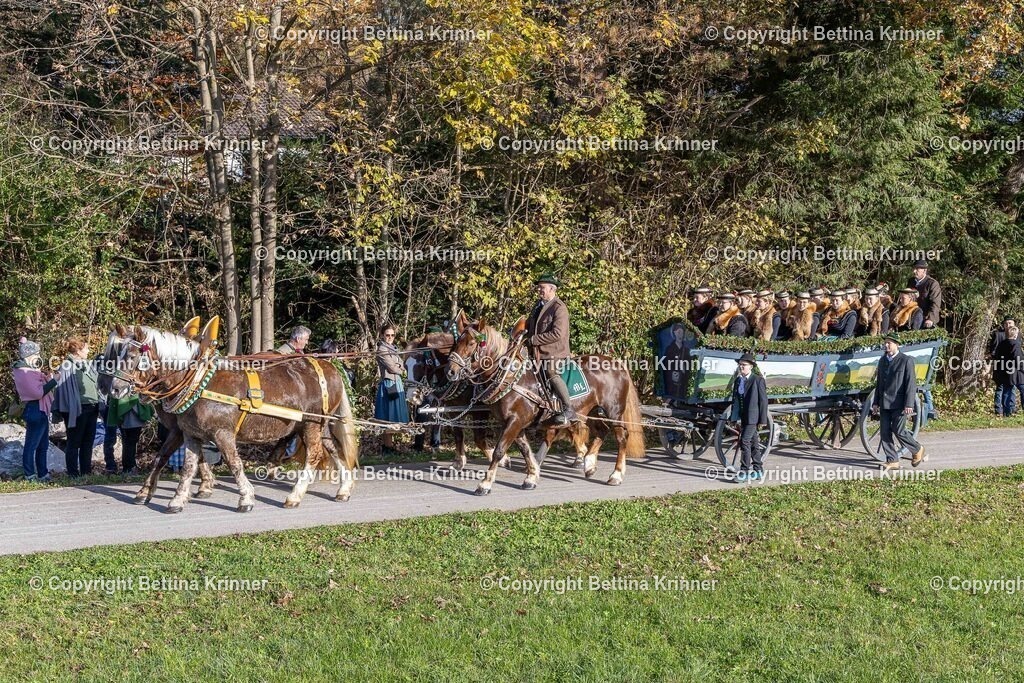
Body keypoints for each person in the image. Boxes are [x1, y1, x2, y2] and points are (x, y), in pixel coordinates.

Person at [526, 273, 577, 424]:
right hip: (537, 352)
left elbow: (558, 334)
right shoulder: (538, 306)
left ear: (552, 289)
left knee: (550, 371)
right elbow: (530, 325)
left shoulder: (559, 308)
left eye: (542, 288)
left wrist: (534, 340)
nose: (539, 290)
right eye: (539, 288)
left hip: (555, 352)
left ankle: (569, 409)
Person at [871, 334, 925, 471]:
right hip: (884, 402)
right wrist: (876, 402)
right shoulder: (883, 360)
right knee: (884, 432)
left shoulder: (906, 361)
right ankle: (893, 460)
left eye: (889, 343)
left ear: (897, 345)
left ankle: (917, 448)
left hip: (899, 403)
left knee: (899, 430)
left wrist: (909, 404)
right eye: (885, 343)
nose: (886, 345)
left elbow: (910, 384)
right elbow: (879, 384)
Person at [51, 338, 100, 477]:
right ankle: (73, 473)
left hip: (92, 407)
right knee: (74, 441)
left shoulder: (88, 365)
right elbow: (61, 390)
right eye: (86, 348)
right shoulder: (66, 366)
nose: (89, 351)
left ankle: (86, 472)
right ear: (78, 351)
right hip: (76, 410)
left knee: (88, 441)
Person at [11, 338, 55, 482]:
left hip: (40, 410)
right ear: (30, 355)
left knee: (43, 445)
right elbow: (37, 393)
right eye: (37, 354)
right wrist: (54, 381)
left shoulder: (30, 370)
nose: (39, 357)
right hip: (35, 409)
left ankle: (43, 473)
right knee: (32, 444)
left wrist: (49, 378)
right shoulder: (24, 371)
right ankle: (30, 474)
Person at [730, 352, 769, 483]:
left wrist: (763, 420)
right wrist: (733, 417)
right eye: (740, 365)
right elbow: (735, 400)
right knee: (754, 444)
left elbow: (763, 401)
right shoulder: (738, 381)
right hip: (743, 416)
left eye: (744, 365)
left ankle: (744, 471)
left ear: (751, 366)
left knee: (744, 441)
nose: (741, 367)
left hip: (753, 417)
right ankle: (758, 470)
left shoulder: (757, 380)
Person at [374, 324, 409, 454]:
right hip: (389, 384)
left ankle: (391, 446)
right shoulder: (382, 349)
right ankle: (387, 447)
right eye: (387, 335)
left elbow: (402, 363)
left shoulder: (393, 348)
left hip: (397, 382)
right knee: (387, 415)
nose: (390, 337)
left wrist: (400, 366)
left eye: (392, 335)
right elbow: (392, 368)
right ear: (382, 335)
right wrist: (401, 368)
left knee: (395, 415)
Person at [407, 328, 442, 452]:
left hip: (437, 386)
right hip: (424, 386)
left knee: (438, 415)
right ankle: (418, 445)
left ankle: (435, 444)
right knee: (421, 414)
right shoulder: (421, 353)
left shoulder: (438, 353)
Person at [102, 394, 153, 475]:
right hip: (131, 413)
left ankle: (128, 467)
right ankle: (129, 468)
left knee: (128, 441)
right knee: (130, 442)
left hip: (125, 411)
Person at [992, 324, 1023, 417]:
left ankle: (1006, 412)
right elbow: (1019, 359)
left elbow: (997, 357)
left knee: (1006, 392)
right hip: (1014, 373)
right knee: (1021, 389)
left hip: (1003, 371)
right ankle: (1009, 411)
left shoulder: (1001, 344)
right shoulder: (1015, 344)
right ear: (1015, 334)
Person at [989, 316, 1016, 416]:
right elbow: (993, 351)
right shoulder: (998, 335)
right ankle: (998, 410)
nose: (1008, 325)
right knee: (1000, 388)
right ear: (1004, 325)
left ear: (1014, 324)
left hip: (1012, 367)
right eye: (1006, 323)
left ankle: (1011, 410)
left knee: (1012, 388)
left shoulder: (1018, 334)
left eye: (1010, 323)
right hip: (1000, 366)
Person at [908, 260, 941, 329]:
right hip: (911, 316)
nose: (914, 271)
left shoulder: (932, 284)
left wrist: (930, 319)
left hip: (924, 319)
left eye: (917, 269)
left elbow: (935, 303)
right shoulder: (911, 281)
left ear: (924, 270)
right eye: (913, 269)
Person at [664, 323, 689, 398]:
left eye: (681, 332)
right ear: (674, 333)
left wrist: (684, 370)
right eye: (678, 332)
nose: (680, 334)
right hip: (671, 382)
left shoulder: (686, 350)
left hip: (682, 384)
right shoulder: (669, 349)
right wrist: (671, 373)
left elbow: (690, 367)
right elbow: (665, 364)